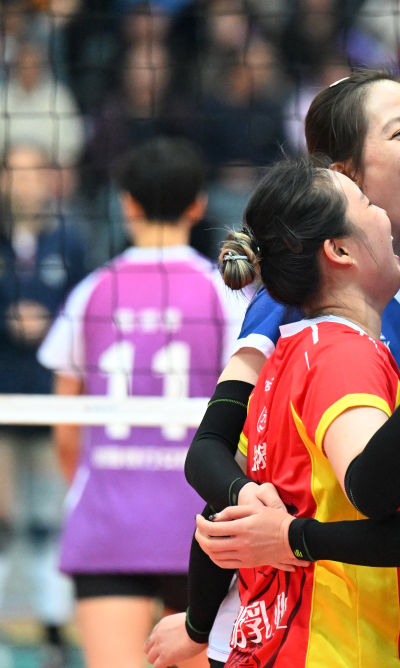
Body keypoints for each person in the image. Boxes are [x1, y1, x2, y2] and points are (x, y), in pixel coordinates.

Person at [143, 68, 400, 668]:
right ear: (342, 175)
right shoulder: (294, 307)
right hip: (293, 611)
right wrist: (253, 521)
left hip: (383, 601)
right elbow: (214, 452)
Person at [192, 156, 400, 667]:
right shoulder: (342, 355)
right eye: (369, 204)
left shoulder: (289, 356)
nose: (384, 217)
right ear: (339, 250)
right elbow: (373, 489)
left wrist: (197, 625)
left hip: (273, 647)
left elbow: (218, 517)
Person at [36, 137, 245, 668]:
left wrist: (98, 483)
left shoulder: (91, 292)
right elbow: (247, 415)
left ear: (126, 203)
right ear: (198, 205)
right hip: (201, 526)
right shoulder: (224, 296)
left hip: (108, 523)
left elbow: (65, 426)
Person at [0, 141, 86, 664]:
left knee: (50, 516)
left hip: (53, 399)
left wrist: (48, 323)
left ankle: (54, 626)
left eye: (34, 172)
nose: (26, 182)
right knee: (6, 517)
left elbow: (87, 312)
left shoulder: (71, 238)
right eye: (15, 172)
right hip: (4, 396)